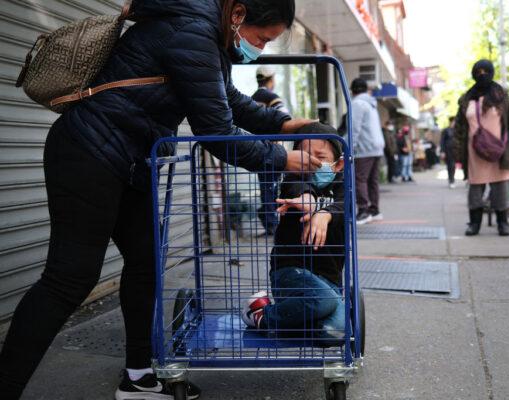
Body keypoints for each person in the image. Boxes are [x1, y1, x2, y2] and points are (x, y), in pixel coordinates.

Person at [0, 1, 323, 399]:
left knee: (146, 264)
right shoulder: (192, 32)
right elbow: (216, 129)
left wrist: (285, 124)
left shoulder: (207, 38)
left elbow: (228, 100)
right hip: (89, 154)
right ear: (238, 13)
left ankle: (137, 379)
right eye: (262, 39)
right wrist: (283, 158)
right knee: (69, 279)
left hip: (128, 160)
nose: (261, 49)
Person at [241, 123, 345, 343]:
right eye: (306, 156)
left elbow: (347, 206)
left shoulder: (343, 186)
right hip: (290, 273)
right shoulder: (293, 179)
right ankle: (261, 314)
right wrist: (307, 200)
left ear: (339, 164)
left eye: (321, 156)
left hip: (329, 280)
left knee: (335, 333)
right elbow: (297, 190)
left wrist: (324, 214)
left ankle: (296, 319)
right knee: (322, 301)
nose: (314, 163)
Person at [454, 59, 509, 237]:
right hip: (474, 153)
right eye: (478, 71)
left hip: (500, 152)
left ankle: (502, 223)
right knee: (475, 191)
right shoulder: (466, 99)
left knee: (501, 191)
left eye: (486, 71)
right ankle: (474, 224)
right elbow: (459, 129)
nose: (482, 75)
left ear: (491, 73)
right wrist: (457, 152)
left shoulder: (501, 96)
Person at [252, 66, 290, 235]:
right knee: (272, 186)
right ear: (271, 80)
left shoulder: (251, 98)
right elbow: (285, 117)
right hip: (272, 149)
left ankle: (268, 220)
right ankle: (272, 224)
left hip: (256, 149)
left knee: (265, 186)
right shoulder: (272, 97)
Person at [349, 78, 385, 224]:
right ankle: (374, 210)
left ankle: (363, 211)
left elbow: (354, 128)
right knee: (373, 180)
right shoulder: (372, 104)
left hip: (365, 148)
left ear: (353, 90)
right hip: (377, 147)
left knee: (360, 179)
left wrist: (349, 147)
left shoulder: (357, 103)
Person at [440, 116, 457, 188]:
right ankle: (451, 180)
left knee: (453, 166)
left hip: (455, 150)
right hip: (447, 150)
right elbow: (442, 141)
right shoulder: (446, 130)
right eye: (453, 122)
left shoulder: (456, 130)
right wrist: (442, 151)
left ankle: (452, 179)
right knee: (450, 165)